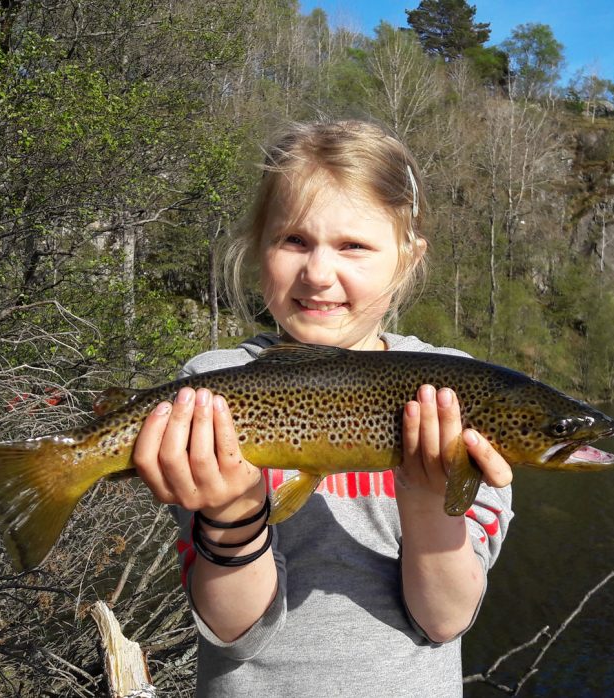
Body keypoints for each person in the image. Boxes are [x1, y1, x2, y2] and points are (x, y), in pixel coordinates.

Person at [131, 120, 514, 697]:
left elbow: (444, 620)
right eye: (294, 241)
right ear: (259, 246)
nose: (317, 273)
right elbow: (233, 628)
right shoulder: (210, 390)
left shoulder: (453, 396)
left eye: (353, 246)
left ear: (408, 260)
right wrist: (234, 513)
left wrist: (431, 501)